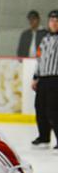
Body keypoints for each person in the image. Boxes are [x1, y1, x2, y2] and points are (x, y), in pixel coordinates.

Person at [31, 9, 58, 148]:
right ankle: (44, 137)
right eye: (52, 20)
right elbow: (40, 59)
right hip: (43, 79)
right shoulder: (45, 39)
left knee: (53, 110)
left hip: (56, 79)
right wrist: (35, 77)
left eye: (56, 20)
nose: (54, 23)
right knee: (40, 108)